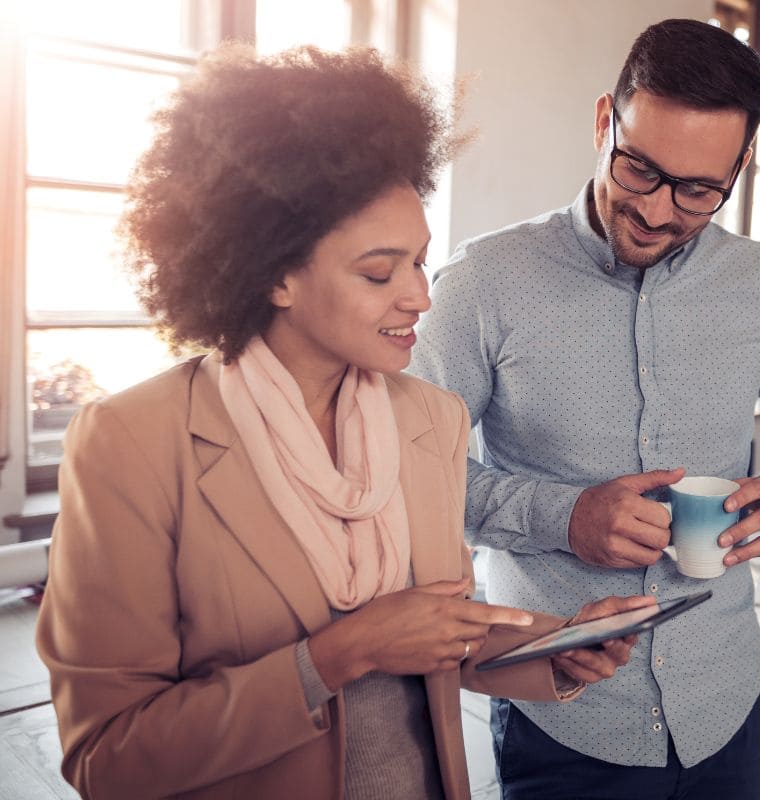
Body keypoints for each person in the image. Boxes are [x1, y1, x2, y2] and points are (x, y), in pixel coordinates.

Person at [35, 46, 647, 800]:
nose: (419, 297)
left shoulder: (431, 419)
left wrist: (555, 647)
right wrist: (336, 655)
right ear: (274, 274)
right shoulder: (133, 444)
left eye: (419, 262)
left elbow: (434, 633)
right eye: (378, 272)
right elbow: (108, 757)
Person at [410, 19, 760, 799]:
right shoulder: (482, 285)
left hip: (727, 702)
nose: (655, 211)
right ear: (604, 120)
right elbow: (411, 478)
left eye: (698, 191)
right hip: (562, 714)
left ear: (740, 167)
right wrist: (564, 517)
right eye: (639, 169)